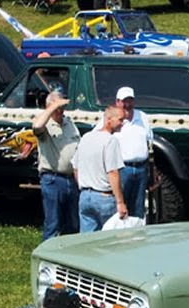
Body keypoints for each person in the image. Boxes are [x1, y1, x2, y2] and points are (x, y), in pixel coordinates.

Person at [32, 91, 81, 240]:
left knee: (73, 223)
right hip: (53, 179)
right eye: (57, 108)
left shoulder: (69, 123)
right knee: (53, 223)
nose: (60, 111)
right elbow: (37, 126)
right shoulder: (45, 124)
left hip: (71, 179)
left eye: (62, 107)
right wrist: (52, 107)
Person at [73, 106, 127, 232]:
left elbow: (75, 166)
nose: (122, 124)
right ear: (109, 120)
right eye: (120, 120)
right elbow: (113, 172)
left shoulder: (86, 137)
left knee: (87, 242)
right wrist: (120, 202)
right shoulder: (110, 141)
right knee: (109, 241)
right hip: (104, 198)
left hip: (85, 196)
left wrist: (82, 186)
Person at [114, 86, 153, 219]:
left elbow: (150, 144)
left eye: (130, 100)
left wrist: (153, 171)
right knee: (120, 207)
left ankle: (136, 236)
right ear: (117, 102)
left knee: (138, 207)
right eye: (125, 101)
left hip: (141, 169)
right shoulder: (112, 119)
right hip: (122, 169)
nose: (128, 104)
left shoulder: (142, 117)